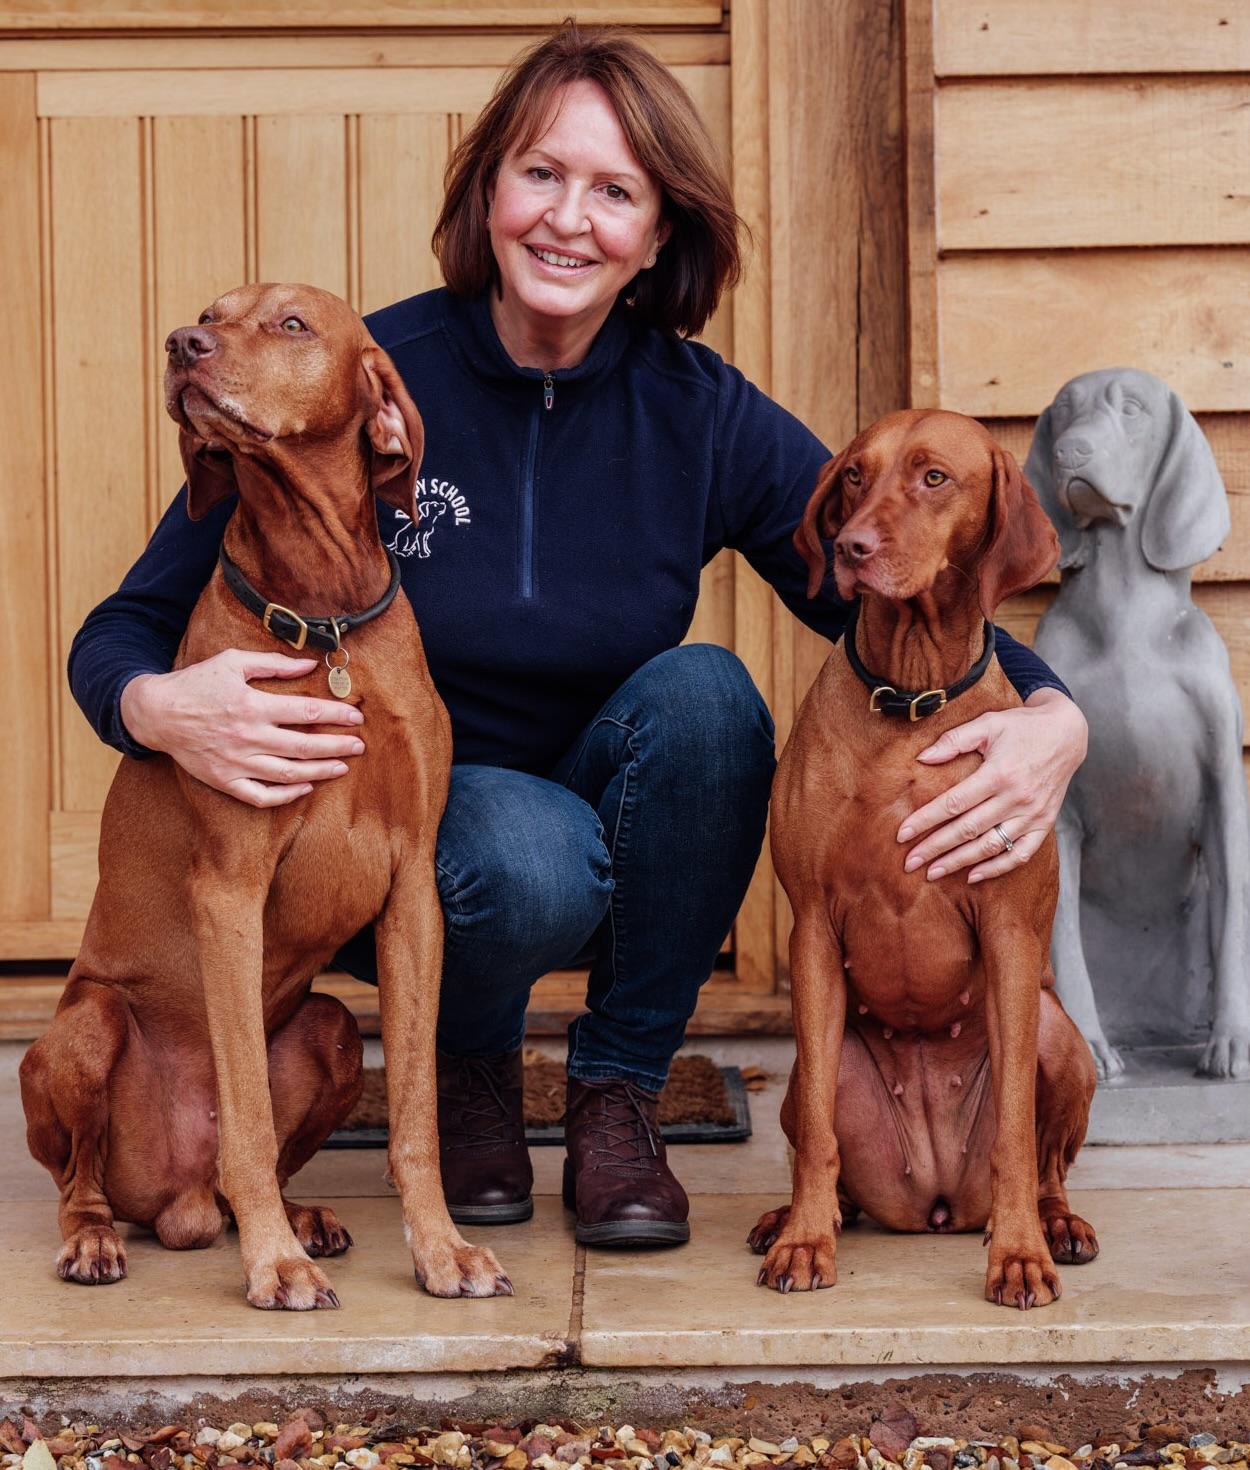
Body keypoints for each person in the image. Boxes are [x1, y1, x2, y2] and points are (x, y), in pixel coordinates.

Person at [68, 22, 1087, 1252]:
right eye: (540, 174)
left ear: (657, 235)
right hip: (438, 837)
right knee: (521, 849)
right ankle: (473, 1075)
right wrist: (159, 705)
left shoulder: (697, 409)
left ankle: (617, 1090)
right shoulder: (364, 375)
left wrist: (1049, 717)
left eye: (615, 192)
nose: (567, 218)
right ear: (489, 189)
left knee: (709, 701)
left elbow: (879, 581)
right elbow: (125, 622)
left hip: (629, 813)